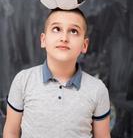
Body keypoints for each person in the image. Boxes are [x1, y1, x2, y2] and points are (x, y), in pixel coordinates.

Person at [3, 8, 111, 138]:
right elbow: (11, 132)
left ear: (84, 45)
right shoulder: (23, 80)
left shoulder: (97, 90)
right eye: (56, 29)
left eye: (73, 31)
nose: (64, 38)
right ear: (43, 40)